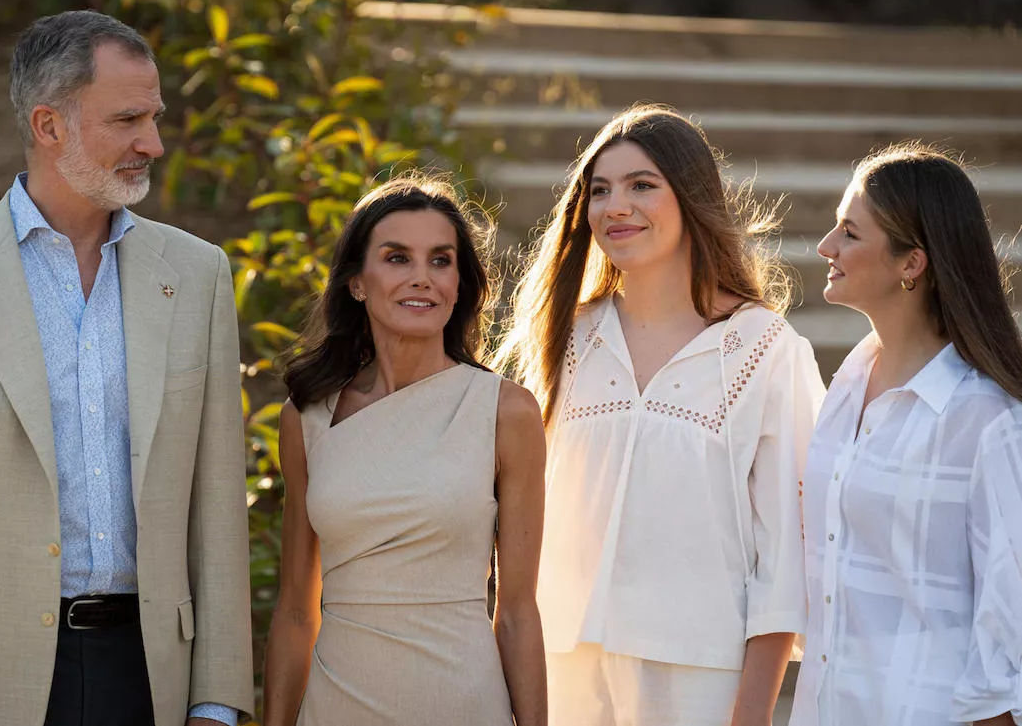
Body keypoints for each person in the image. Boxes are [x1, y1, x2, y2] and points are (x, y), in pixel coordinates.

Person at [0, 11, 253, 726]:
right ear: (48, 125)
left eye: (153, 117)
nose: (152, 143)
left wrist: (216, 702)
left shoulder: (197, 275)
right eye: (127, 119)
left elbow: (218, 509)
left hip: (152, 678)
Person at [495, 104, 825, 726]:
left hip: (701, 678)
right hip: (559, 672)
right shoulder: (564, 337)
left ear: (692, 197)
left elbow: (786, 558)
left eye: (641, 185)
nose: (615, 206)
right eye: (599, 190)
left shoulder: (765, 350)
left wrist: (749, 715)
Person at [261, 176, 548, 726]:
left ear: (460, 283)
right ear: (357, 283)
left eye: (441, 261)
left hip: (462, 702)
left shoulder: (504, 411)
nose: (422, 278)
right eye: (397, 258)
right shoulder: (307, 419)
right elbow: (297, 610)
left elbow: (516, 612)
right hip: (337, 702)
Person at [789, 145, 1022, 726]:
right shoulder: (845, 387)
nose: (826, 248)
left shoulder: (989, 420)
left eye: (849, 233)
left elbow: (1008, 629)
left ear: (910, 263)